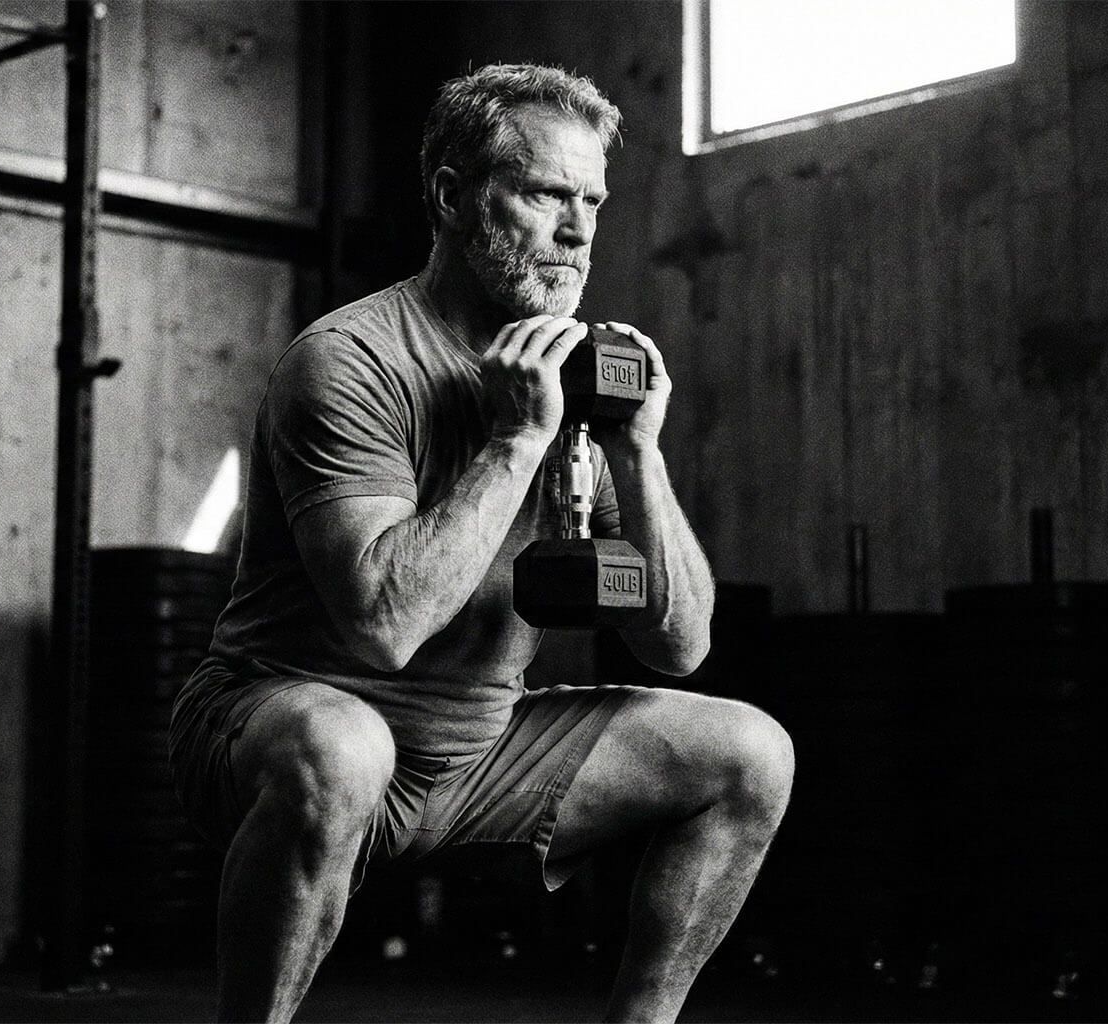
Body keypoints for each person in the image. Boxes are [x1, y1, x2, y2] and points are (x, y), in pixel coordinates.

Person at [169, 63, 794, 1024]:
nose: (579, 231)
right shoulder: (351, 362)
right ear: (455, 196)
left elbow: (681, 647)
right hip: (285, 724)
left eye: (592, 200)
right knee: (345, 748)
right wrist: (514, 441)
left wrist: (635, 448)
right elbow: (382, 627)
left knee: (751, 752)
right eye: (546, 194)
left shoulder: (576, 376)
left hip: (476, 748)